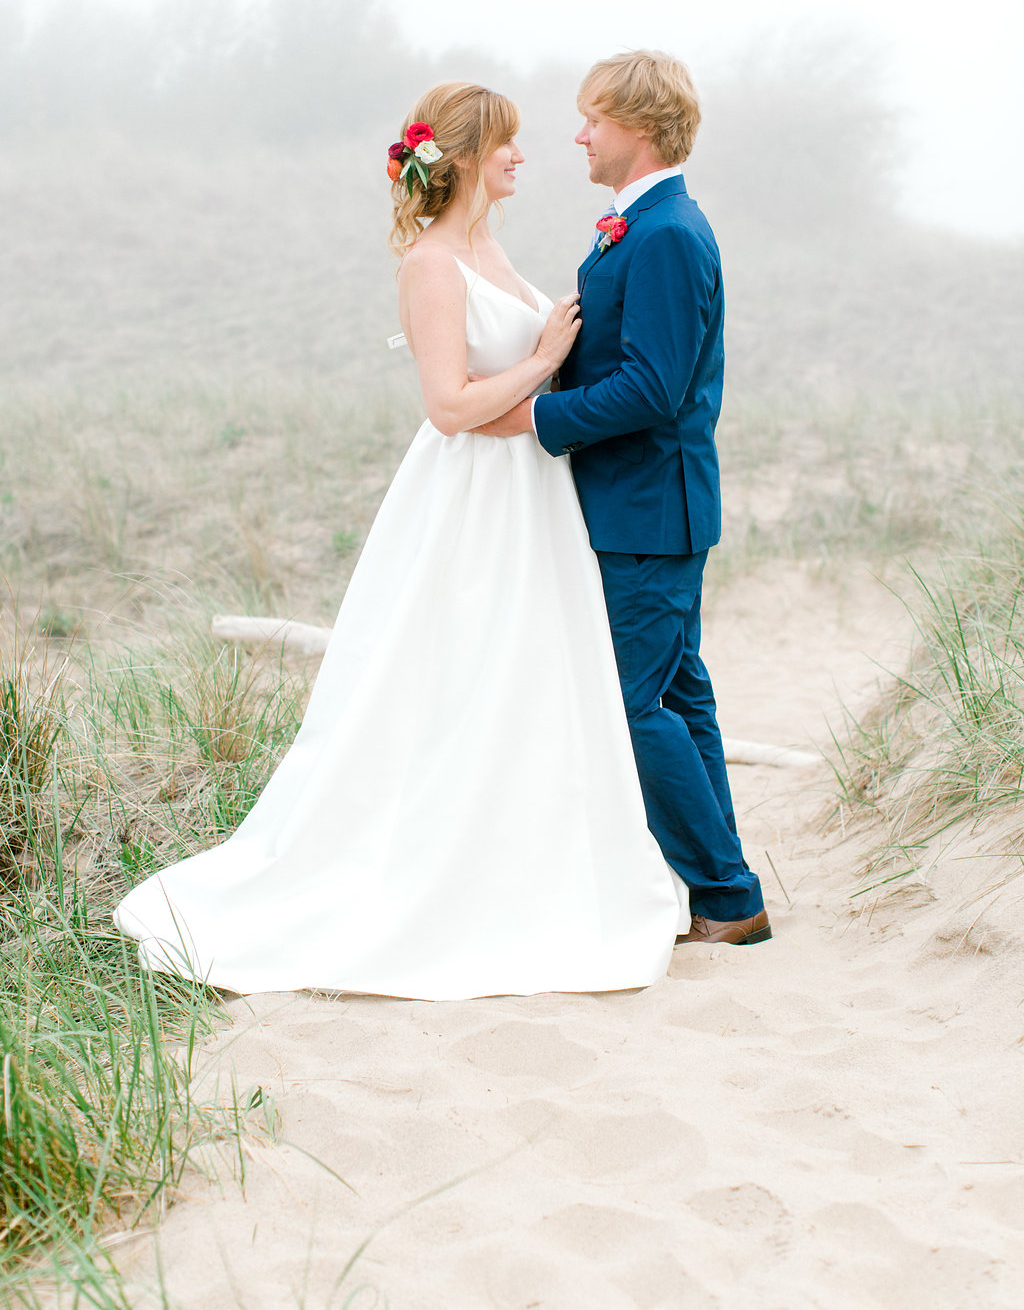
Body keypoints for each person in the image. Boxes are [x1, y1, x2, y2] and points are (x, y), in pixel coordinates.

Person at [114, 81, 680, 1000]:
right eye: (507, 144)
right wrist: (542, 362)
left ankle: (535, 862)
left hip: (533, 492)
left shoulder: (490, 244)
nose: (522, 157)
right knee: (452, 681)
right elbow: (449, 404)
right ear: (460, 157)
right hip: (470, 500)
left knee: (531, 680)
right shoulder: (429, 264)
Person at [476, 52, 770, 946]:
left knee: (633, 704)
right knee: (679, 698)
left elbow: (655, 387)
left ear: (636, 128)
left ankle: (725, 895)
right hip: (642, 505)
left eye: (591, 120)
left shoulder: (670, 233)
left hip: (651, 508)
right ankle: (721, 889)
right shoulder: (636, 226)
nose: (578, 136)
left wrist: (536, 415)